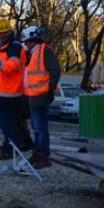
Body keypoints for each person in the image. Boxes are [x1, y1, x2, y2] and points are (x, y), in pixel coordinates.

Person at [0, 19, 32, 160]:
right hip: (4, 92)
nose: (1, 35)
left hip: (10, 93)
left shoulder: (13, 46)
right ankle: (15, 145)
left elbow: (12, 65)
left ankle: (12, 148)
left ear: (10, 31)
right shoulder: (4, 45)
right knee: (9, 123)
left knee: (7, 123)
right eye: (0, 33)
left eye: (4, 32)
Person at [22, 25, 61, 169]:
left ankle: (43, 156)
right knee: (36, 127)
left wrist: (49, 91)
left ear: (32, 40)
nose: (25, 44)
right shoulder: (34, 53)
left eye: (26, 42)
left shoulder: (44, 50)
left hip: (41, 95)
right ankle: (38, 153)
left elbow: (55, 70)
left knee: (40, 128)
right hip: (34, 96)